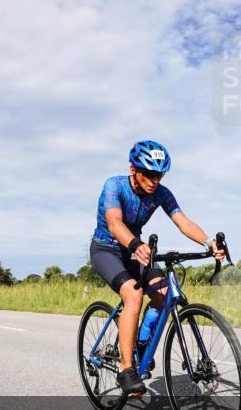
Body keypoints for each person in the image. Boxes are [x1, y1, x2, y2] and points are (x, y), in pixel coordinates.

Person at [90, 140, 224, 395]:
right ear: (133, 169)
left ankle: (140, 343)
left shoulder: (161, 193)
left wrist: (208, 242)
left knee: (163, 294)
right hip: (106, 249)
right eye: (149, 174)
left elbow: (183, 222)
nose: (154, 180)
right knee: (133, 295)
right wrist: (135, 244)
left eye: (159, 175)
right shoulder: (114, 186)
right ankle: (126, 368)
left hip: (135, 251)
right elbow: (115, 223)